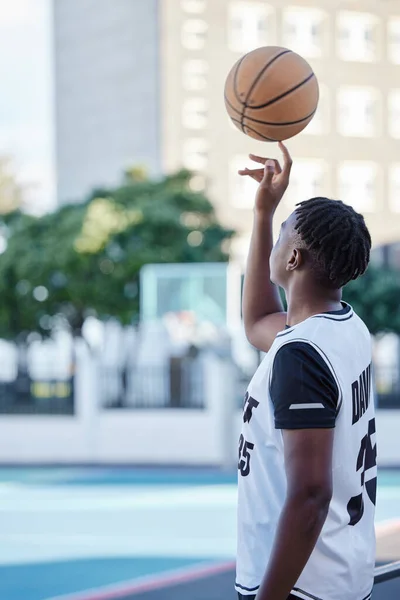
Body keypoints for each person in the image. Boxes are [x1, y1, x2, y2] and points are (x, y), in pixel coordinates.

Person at [235, 143, 376, 600]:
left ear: (294, 259)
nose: (275, 243)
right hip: (338, 572)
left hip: (302, 586)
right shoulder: (345, 329)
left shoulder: (303, 353)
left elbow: (311, 495)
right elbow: (258, 322)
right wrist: (262, 215)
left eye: (281, 237)